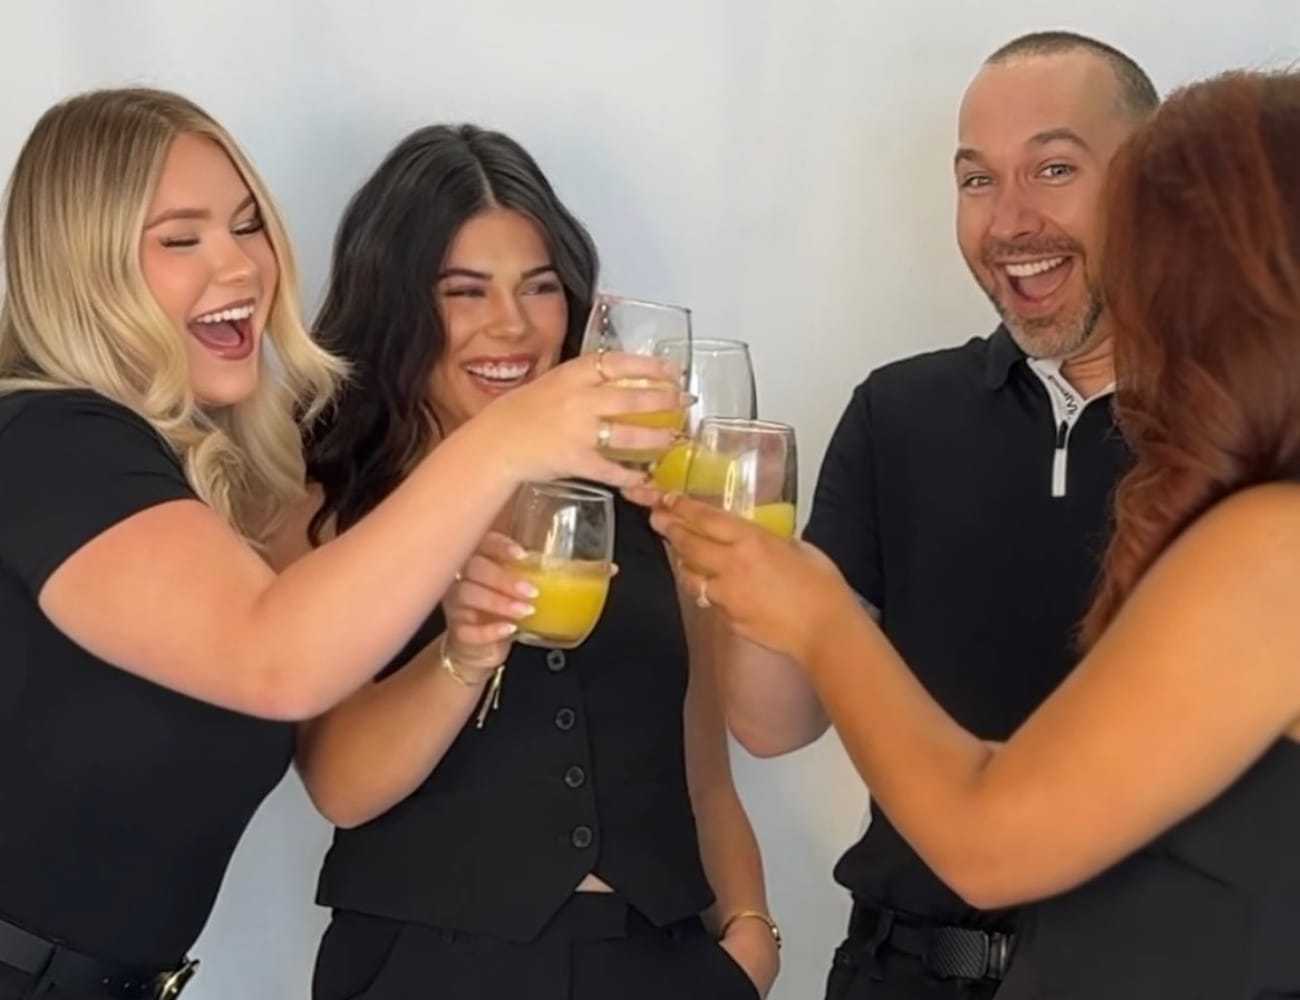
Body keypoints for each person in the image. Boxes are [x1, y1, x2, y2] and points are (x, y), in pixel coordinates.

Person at [0, 89, 679, 1000]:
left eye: (248, 227)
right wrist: (508, 440)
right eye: (180, 238)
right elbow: (278, 657)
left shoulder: (184, 476)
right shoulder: (52, 440)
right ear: (79, 266)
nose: (239, 265)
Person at [655, 67, 1300, 998]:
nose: (1011, 224)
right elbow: (772, 721)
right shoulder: (903, 411)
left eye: (1146, 231)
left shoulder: (1269, 547)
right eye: (976, 179)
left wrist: (819, 613)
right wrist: (742, 580)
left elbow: (989, 840)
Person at [274, 123, 779, 1000]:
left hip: (659, 962)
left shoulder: (654, 491)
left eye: (539, 288)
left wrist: (747, 937)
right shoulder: (324, 499)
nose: (510, 324)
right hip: (422, 971)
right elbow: (338, 784)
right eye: (464, 292)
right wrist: (461, 655)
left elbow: (704, 768)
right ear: (395, 307)